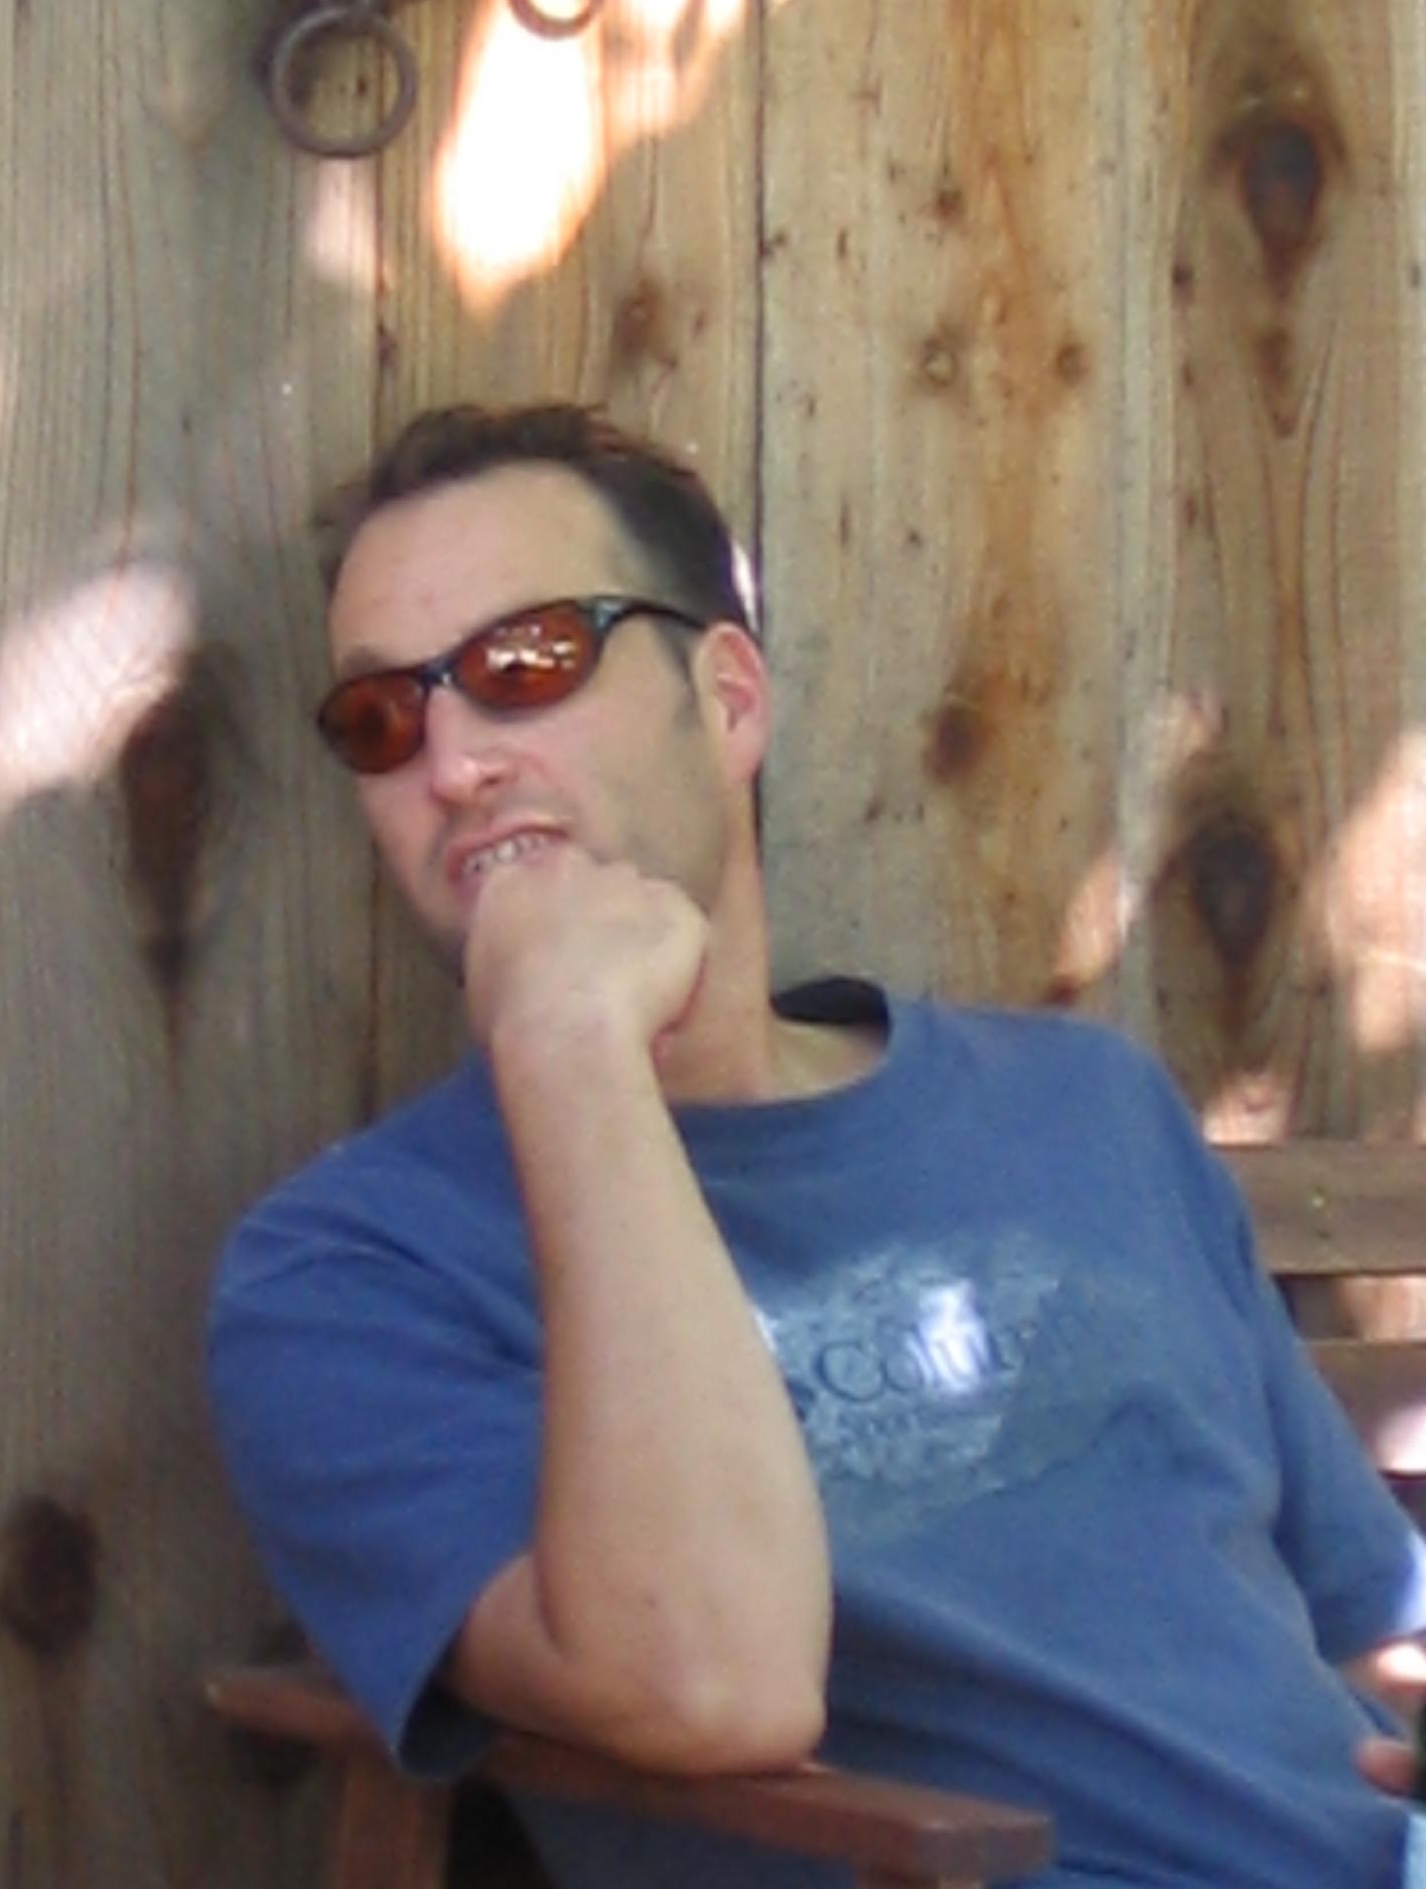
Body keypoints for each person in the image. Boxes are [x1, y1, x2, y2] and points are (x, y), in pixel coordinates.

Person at [208, 401, 1426, 1887]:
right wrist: (573, 1046)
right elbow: (709, 1684)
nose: (451, 763)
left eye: (526, 664)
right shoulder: (348, 1276)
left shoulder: (1083, 1107)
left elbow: (1372, 1618)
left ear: (728, 702)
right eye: (382, 719)